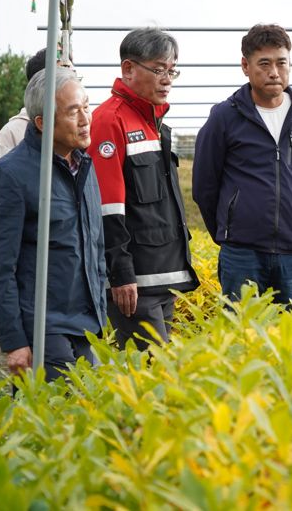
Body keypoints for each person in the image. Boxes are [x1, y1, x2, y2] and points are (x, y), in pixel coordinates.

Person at [193, 24, 292, 305]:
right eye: (264, 63)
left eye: (281, 62)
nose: (274, 72)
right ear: (245, 66)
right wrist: (229, 230)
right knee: (242, 335)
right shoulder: (225, 116)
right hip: (242, 253)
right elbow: (205, 184)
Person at [0, 68, 107, 381]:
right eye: (73, 111)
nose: (85, 118)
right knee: (56, 417)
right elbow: (0, 266)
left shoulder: (84, 165)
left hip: (89, 324)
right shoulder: (12, 174)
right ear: (42, 123)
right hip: (44, 326)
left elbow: (93, 243)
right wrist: (15, 340)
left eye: (87, 106)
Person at [89, 28, 199, 350]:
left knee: (159, 375)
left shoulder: (155, 123)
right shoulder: (110, 121)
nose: (167, 79)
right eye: (158, 69)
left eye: (172, 70)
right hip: (136, 284)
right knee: (146, 378)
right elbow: (107, 208)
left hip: (163, 278)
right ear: (128, 69)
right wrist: (121, 274)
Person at [0, 48, 73, 159]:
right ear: (39, 84)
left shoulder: (79, 129)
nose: (73, 85)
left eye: (73, 76)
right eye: (62, 78)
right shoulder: (11, 134)